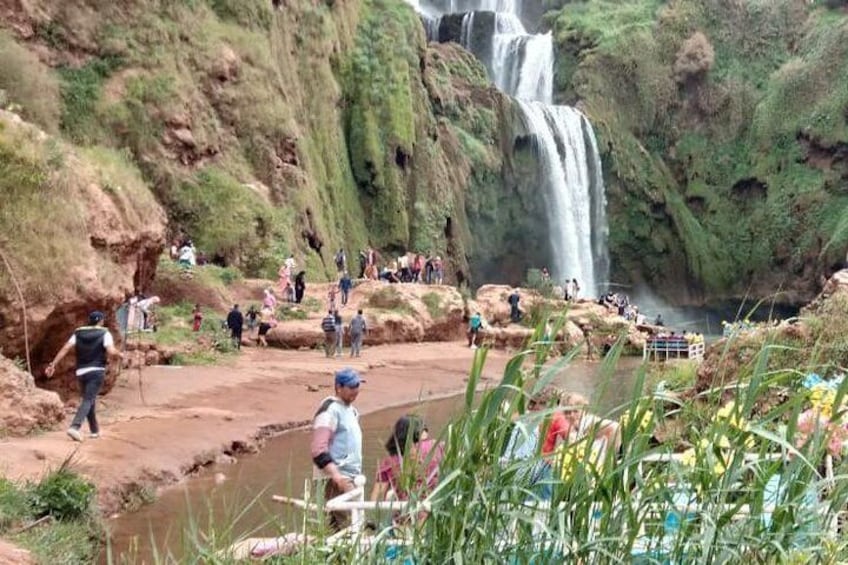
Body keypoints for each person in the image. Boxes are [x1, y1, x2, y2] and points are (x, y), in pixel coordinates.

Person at [45, 311, 122, 442]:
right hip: (96, 370)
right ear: (100, 321)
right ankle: (75, 427)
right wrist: (119, 354)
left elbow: (65, 348)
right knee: (88, 399)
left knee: (89, 399)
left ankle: (94, 430)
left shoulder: (78, 333)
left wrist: (53, 364)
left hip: (81, 371)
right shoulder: (105, 333)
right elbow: (110, 350)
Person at [311, 368, 363, 532]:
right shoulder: (330, 409)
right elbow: (319, 449)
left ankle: (338, 556)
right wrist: (336, 476)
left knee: (349, 523)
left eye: (357, 385)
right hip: (337, 476)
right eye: (351, 386)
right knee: (349, 525)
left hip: (352, 475)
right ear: (338, 387)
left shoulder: (352, 411)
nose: (355, 390)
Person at [372, 415, 445, 504]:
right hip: (435, 509)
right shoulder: (436, 447)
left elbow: (376, 499)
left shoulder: (389, 463)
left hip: (404, 514)